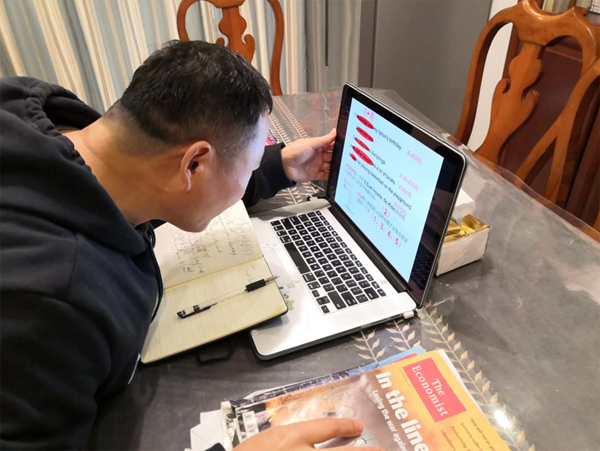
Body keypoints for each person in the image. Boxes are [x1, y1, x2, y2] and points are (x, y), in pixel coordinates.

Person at [0, 40, 382, 451]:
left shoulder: (39, 115)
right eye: (250, 166)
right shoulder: (53, 305)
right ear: (193, 164)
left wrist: (277, 166)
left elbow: (166, 176)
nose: (248, 177)